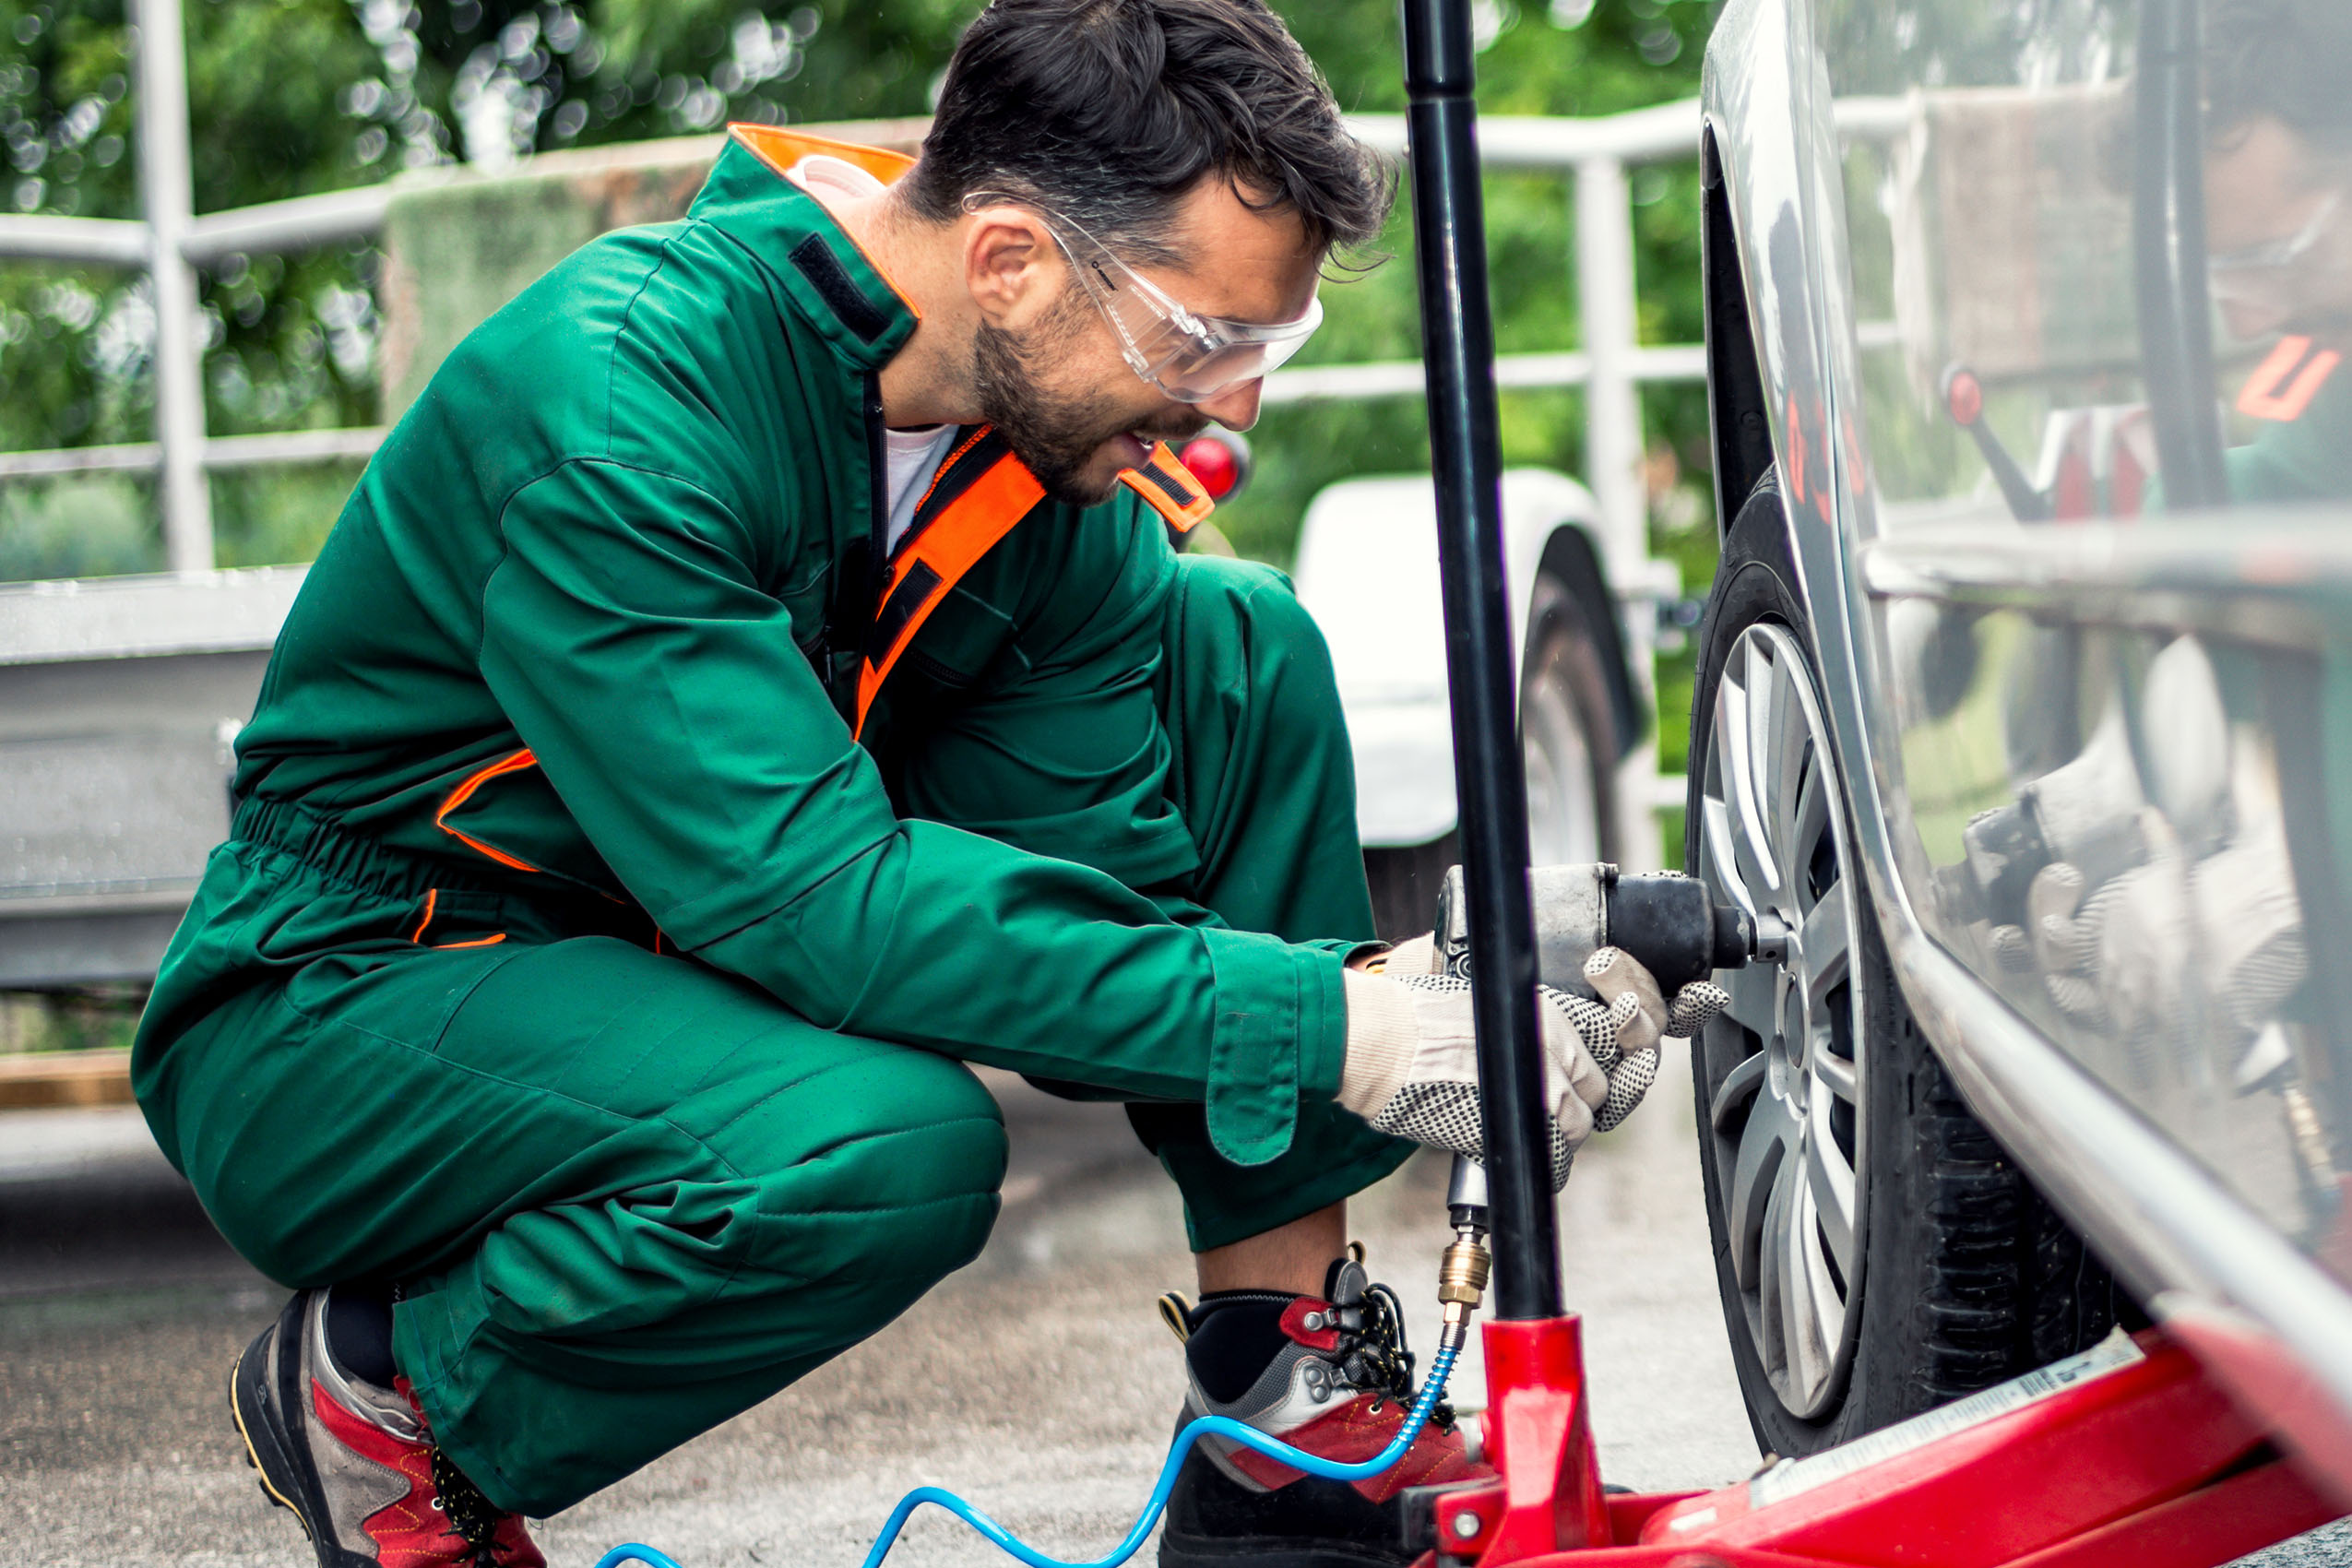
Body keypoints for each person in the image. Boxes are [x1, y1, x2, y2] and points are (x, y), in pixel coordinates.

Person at [138, 4, 1719, 1566]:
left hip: (660, 950)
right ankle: (395, 1401)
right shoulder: (617, 409)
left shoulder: (1040, 473)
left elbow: (1125, 914)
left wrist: (1442, 996)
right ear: (1011, 263)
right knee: (883, 1152)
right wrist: (1351, 1026)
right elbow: (824, 907)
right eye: (1202, 339)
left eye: (1270, 343)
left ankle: (1278, 1393)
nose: (1236, 402)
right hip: (355, 998)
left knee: (1236, 650)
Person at [2200, 0, 2352, 502]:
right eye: (2222, 275)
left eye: (2276, 260)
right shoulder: (2329, 408)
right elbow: (2278, 484)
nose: (2245, 325)